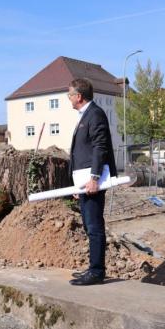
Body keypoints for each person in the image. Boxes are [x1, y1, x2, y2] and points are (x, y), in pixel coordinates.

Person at [66, 78, 117, 286]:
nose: (68, 98)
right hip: (84, 182)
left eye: (69, 94)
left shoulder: (94, 114)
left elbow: (99, 146)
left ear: (79, 96)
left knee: (95, 226)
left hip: (93, 181)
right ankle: (93, 268)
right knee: (89, 225)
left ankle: (97, 272)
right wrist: (78, 185)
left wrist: (94, 178)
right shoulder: (84, 115)